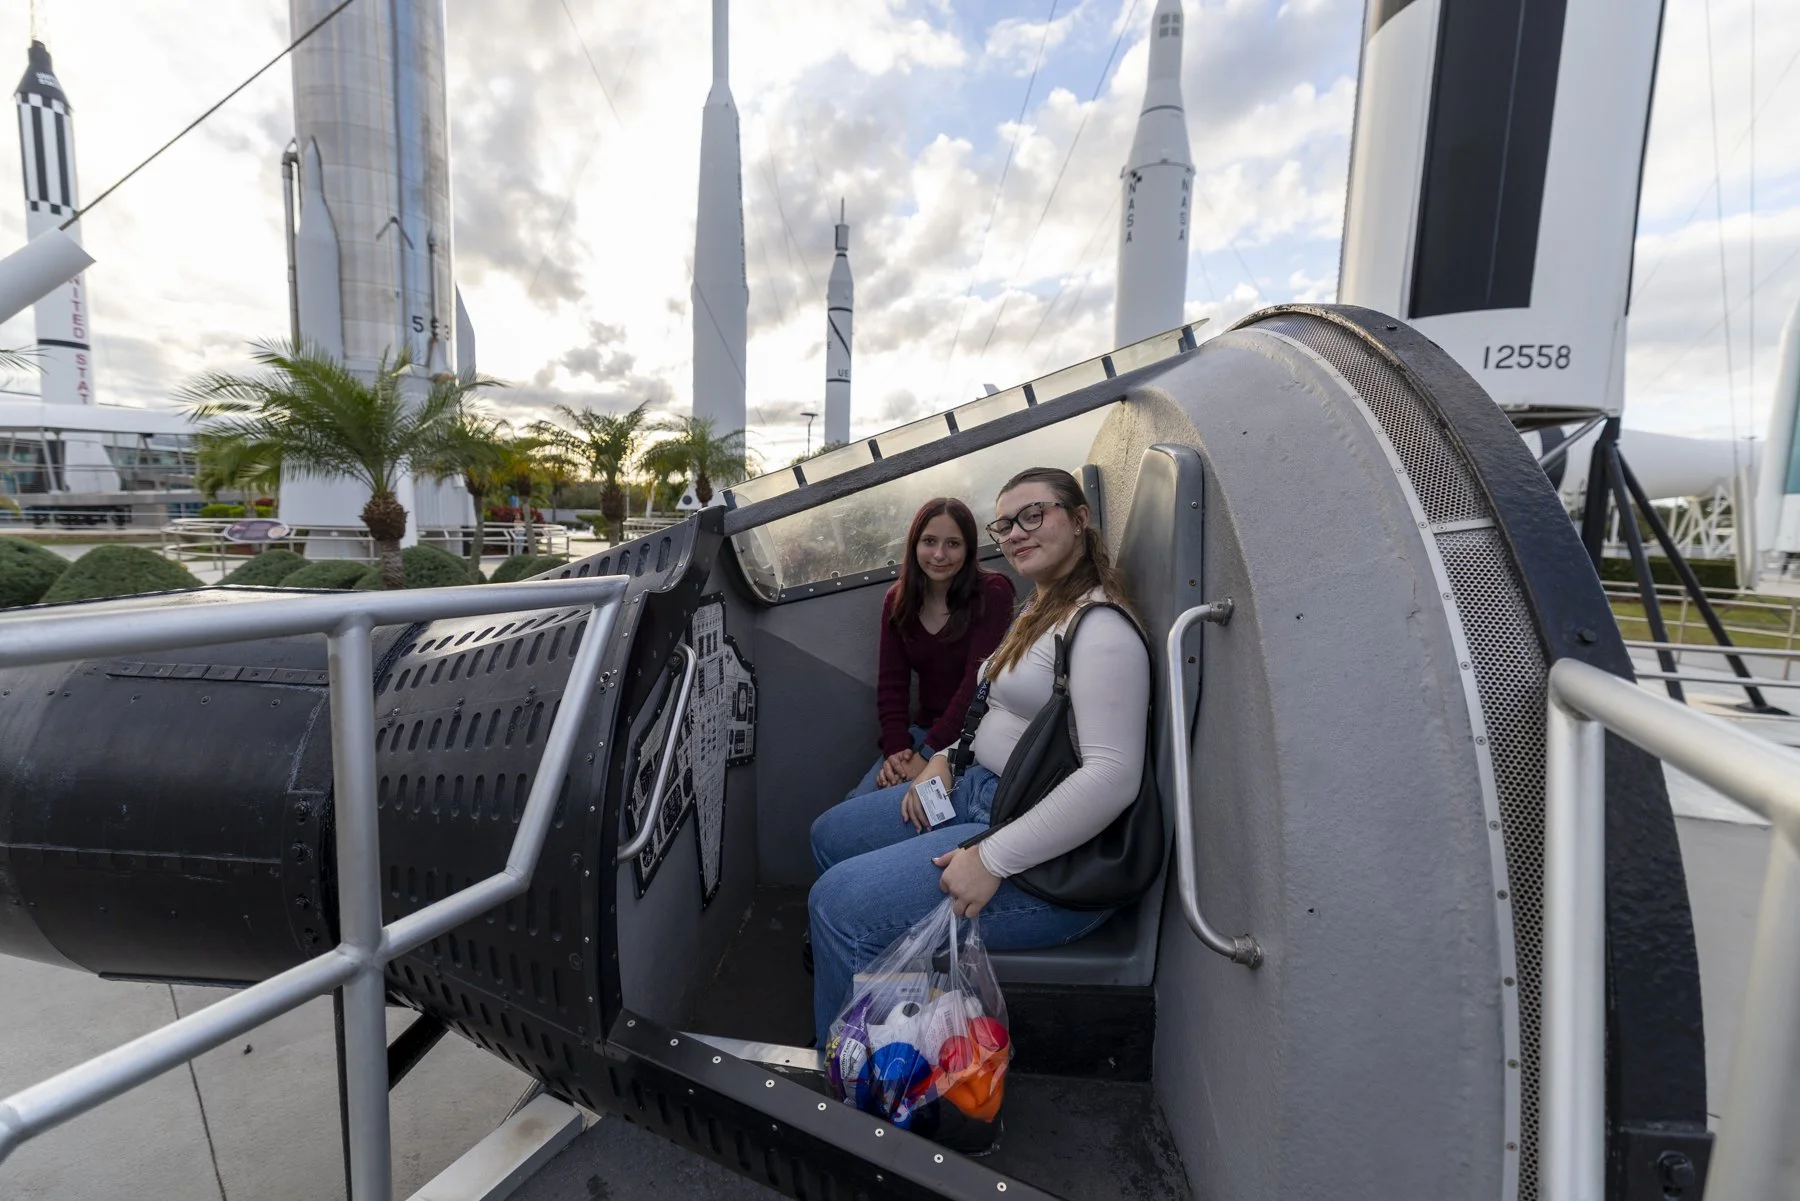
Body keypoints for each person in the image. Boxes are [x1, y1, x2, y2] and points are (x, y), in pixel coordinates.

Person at [809, 467, 1153, 1045]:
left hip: (1039, 853)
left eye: (1034, 515)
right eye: (1007, 523)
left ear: (1080, 519)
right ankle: (882, 994)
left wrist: (992, 859)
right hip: (975, 790)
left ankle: (852, 1076)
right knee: (830, 835)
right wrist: (943, 757)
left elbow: (1113, 777)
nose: (1017, 532)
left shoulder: (1101, 627)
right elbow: (986, 705)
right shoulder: (1040, 610)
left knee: (838, 905)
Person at [845, 498, 1015, 798]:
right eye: (929, 541)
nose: (939, 554)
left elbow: (976, 685)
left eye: (953, 543)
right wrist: (897, 750)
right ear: (914, 544)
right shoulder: (898, 600)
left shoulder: (992, 592)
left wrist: (926, 755)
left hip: (976, 735)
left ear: (969, 549)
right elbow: (892, 686)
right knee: (855, 803)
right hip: (924, 733)